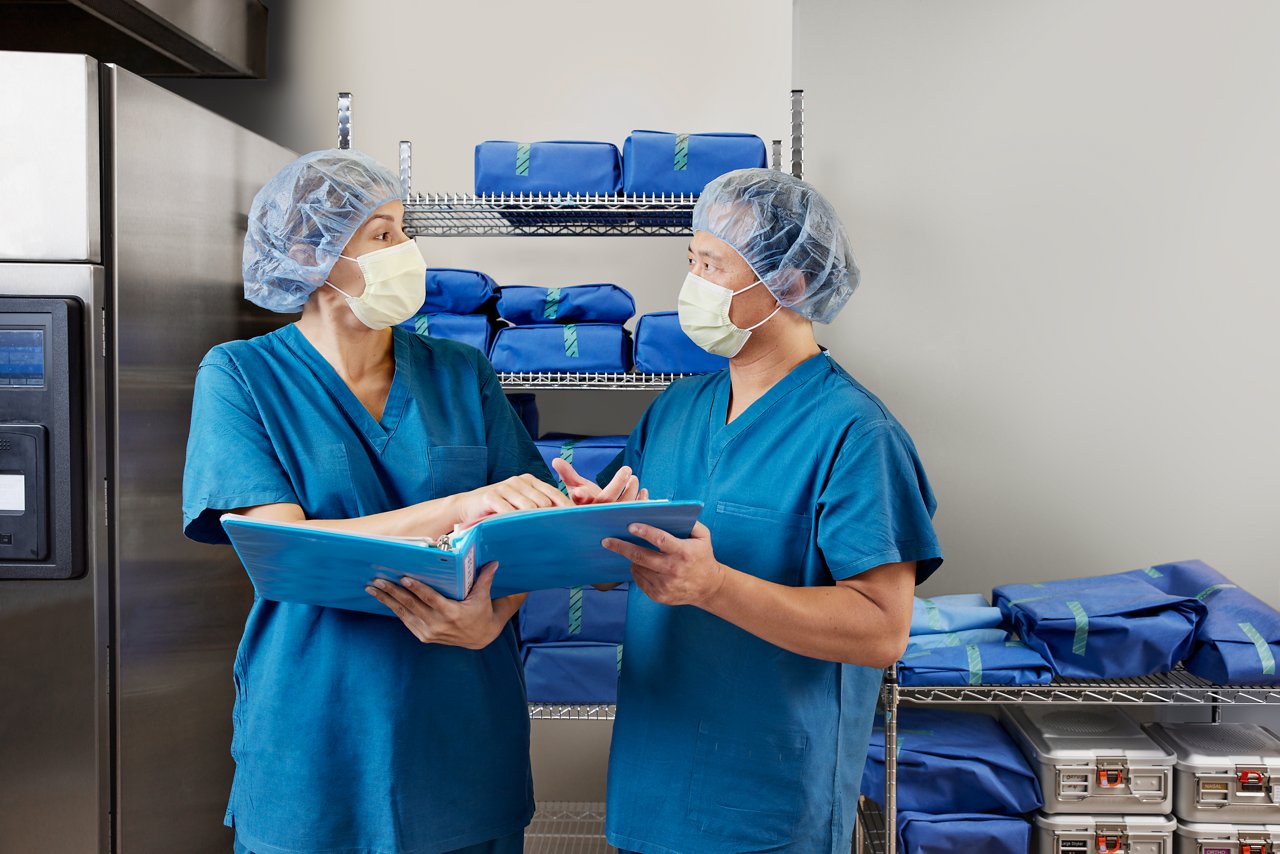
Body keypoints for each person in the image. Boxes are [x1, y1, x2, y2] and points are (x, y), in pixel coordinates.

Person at [182, 149, 640, 854]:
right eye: (383, 235)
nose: (407, 251)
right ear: (312, 251)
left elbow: (517, 542)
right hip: (316, 734)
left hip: (459, 730)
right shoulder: (243, 376)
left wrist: (542, 566)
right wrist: (464, 506)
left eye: (403, 230)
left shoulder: (461, 373)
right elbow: (284, 553)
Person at [554, 168, 944, 853]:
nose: (692, 285)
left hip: (766, 805)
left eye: (713, 264)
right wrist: (597, 532)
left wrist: (717, 587)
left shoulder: (856, 435)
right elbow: (635, 571)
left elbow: (882, 630)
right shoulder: (675, 411)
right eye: (691, 260)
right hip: (652, 790)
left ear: (790, 283)